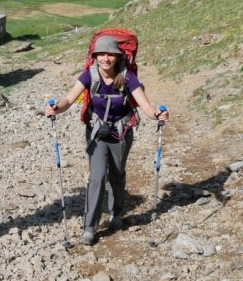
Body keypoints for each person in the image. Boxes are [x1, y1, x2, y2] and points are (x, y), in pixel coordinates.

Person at [44, 35, 168, 246]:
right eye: (101, 54)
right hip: (97, 133)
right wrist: (56, 108)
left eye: (109, 54)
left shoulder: (127, 77)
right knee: (97, 176)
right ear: (95, 56)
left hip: (121, 132)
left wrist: (157, 114)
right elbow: (69, 99)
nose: (105, 58)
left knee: (117, 175)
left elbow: (145, 106)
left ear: (117, 56)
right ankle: (89, 228)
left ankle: (116, 214)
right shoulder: (89, 75)